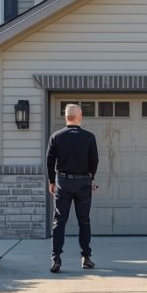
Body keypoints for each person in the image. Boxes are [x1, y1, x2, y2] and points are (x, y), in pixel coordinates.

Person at [46, 103, 99, 273]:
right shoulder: (89, 137)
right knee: (84, 221)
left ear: (65, 117)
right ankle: (86, 257)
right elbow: (94, 160)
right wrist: (92, 177)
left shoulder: (56, 136)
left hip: (63, 182)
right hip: (83, 183)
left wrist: (51, 181)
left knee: (59, 222)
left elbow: (49, 161)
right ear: (80, 116)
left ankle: (55, 259)